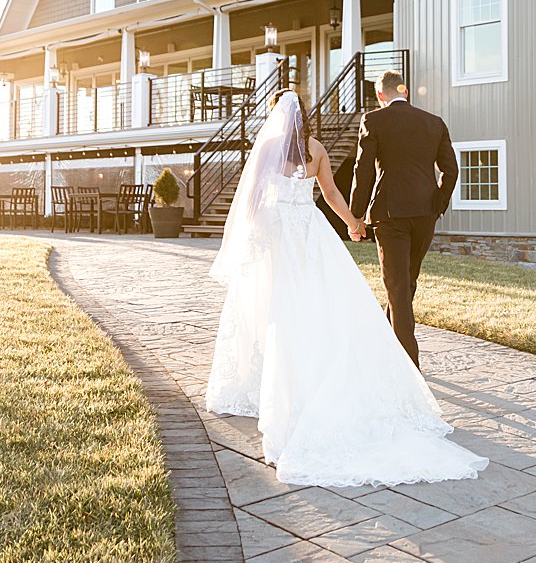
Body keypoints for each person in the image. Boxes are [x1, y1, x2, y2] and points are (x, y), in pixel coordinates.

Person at [204, 88, 486, 488]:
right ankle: (340, 364)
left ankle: (274, 380)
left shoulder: (266, 147)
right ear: (305, 117)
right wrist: (353, 222)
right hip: (310, 231)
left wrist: (250, 233)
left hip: (277, 235)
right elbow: (331, 193)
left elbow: (250, 197)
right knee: (321, 304)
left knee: (272, 306)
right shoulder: (316, 148)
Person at [348, 70, 459, 369]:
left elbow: (363, 170)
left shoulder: (373, 120)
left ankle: (408, 369)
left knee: (398, 287)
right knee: (406, 284)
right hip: (425, 215)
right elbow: (451, 171)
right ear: (405, 91)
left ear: (380, 96)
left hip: (390, 214)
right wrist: (437, 204)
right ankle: (386, 346)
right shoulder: (434, 123)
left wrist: (355, 215)